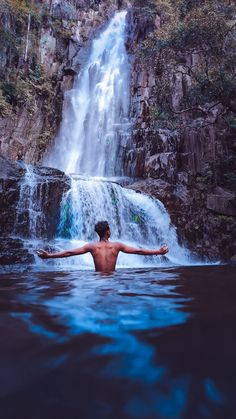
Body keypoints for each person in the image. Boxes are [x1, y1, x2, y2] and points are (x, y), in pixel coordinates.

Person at [37, 220, 169, 273]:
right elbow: (138, 251)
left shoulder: (92, 247)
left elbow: (69, 253)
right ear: (107, 231)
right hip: (113, 280)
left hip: (97, 282)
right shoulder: (116, 246)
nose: (111, 231)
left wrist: (49, 256)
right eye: (110, 229)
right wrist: (158, 251)